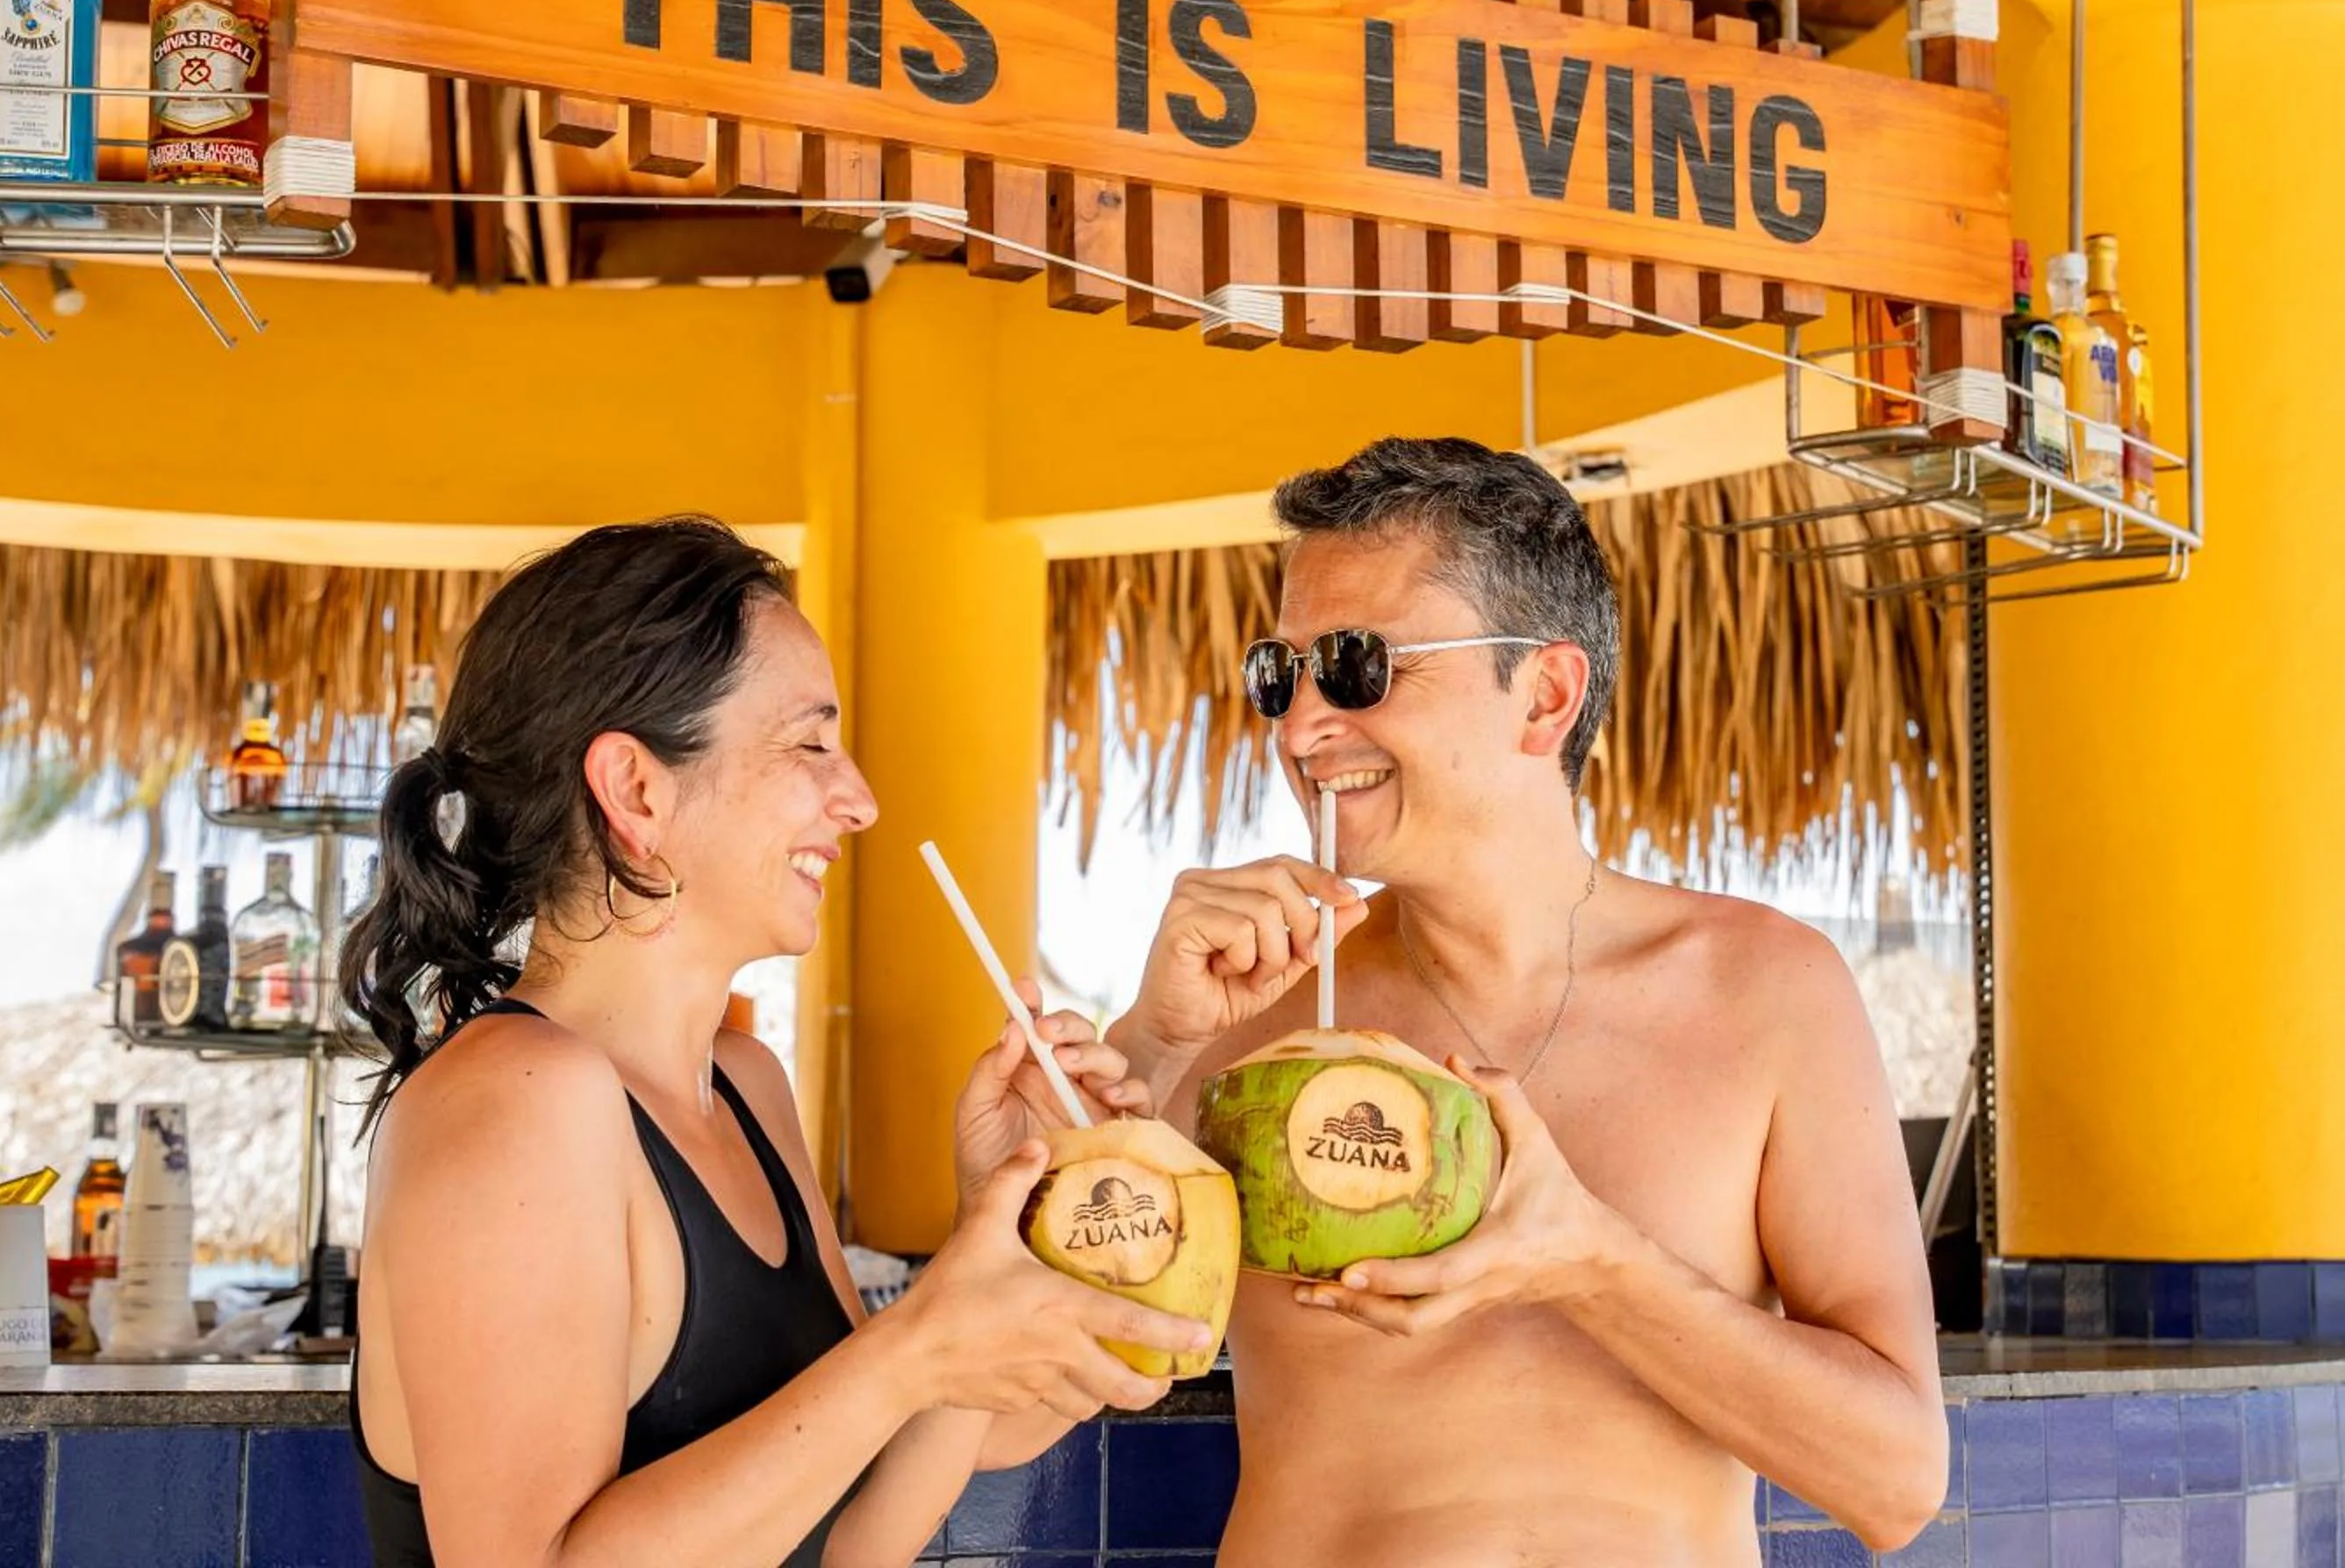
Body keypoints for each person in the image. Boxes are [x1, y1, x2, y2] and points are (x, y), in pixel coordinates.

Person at [1106, 438, 1948, 1565]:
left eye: (1356, 665)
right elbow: (1005, 1406)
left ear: (1545, 694)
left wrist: (1591, 1261)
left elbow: (1895, 1482)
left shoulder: (1767, 990)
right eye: (1279, 674)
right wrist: (1148, 1047)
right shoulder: (1245, 1016)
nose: (1300, 728)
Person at [341, 517, 1208, 1568]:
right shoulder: (517, 1097)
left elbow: (855, 1531)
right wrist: (913, 1346)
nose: (860, 800)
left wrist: (1002, 1234)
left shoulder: (746, 1085)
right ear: (638, 790)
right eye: (810, 744)